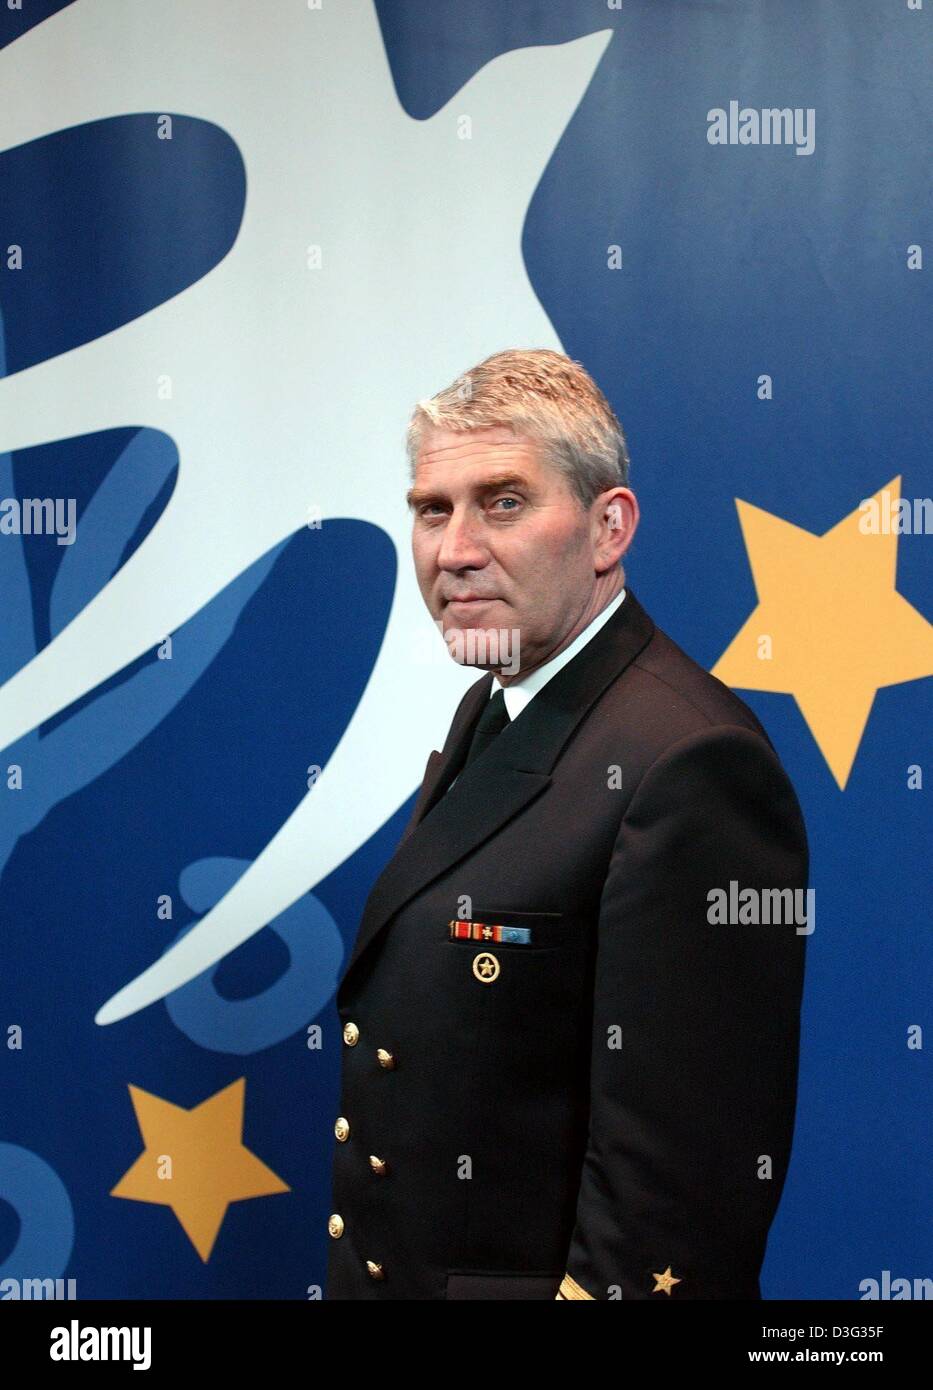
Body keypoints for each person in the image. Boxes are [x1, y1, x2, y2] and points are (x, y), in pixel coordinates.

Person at [325, 348, 808, 1300]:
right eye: (432, 508)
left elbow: (677, 1196)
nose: (454, 549)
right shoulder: (502, 701)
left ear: (607, 528)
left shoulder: (690, 762)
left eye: (502, 501)